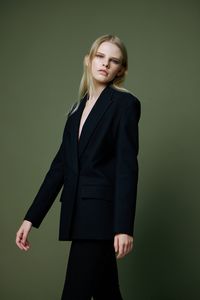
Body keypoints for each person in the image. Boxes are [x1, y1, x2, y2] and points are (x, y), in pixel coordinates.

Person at [16, 34, 141, 300]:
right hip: (77, 214)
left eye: (114, 60)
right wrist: (31, 218)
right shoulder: (76, 110)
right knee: (107, 292)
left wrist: (123, 226)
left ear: (121, 70)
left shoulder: (124, 104)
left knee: (75, 293)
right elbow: (60, 167)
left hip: (100, 217)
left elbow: (127, 167)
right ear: (88, 60)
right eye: (100, 56)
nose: (105, 64)